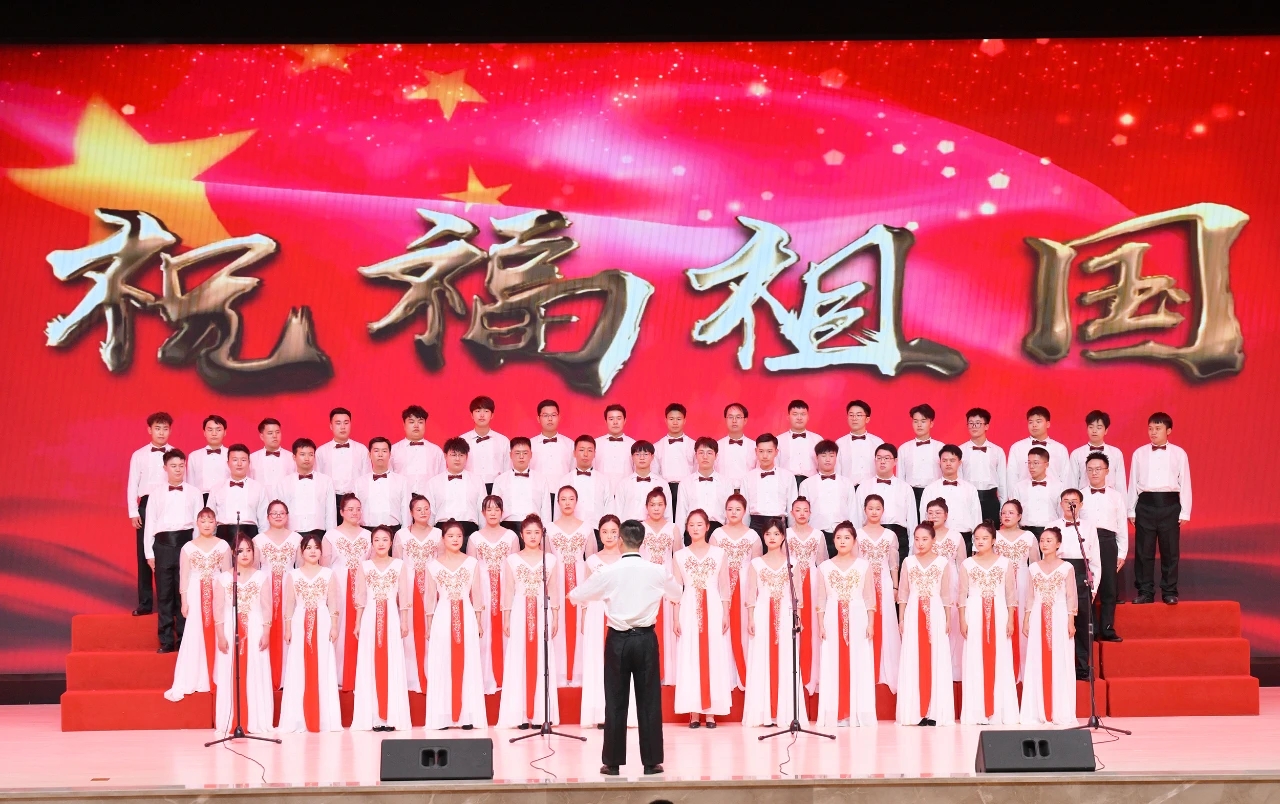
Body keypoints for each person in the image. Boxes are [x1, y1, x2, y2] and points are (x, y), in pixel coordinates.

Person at [569, 518, 682, 776]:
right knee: (649, 700)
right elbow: (676, 594)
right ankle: (652, 762)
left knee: (615, 700)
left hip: (618, 640)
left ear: (620, 541)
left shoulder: (609, 571)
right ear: (642, 542)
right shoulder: (657, 571)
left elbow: (578, 595)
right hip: (646, 639)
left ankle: (612, 762)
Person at [497, 515, 563, 729]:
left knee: (542, 659)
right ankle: (520, 715)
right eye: (528, 533)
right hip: (518, 611)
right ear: (521, 535)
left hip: (543, 612)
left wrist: (555, 615)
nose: (533, 536)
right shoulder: (512, 560)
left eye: (536, 532)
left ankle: (540, 715)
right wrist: (506, 617)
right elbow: (508, 590)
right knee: (519, 658)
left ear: (542, 534)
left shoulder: (550, 560)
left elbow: (554, 590)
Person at [422, 520, 488, 730]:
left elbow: (477, 594)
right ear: (443, 539)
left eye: (459, 536)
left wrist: (478, 622)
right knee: (442, 664)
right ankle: (442, 716)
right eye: (450, 536)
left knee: (468, 663)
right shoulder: (433, 565)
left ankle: (467, 716)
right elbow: (430, 598)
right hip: (442, 616)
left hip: (466, 615)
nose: (455, 539)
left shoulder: (471, 563)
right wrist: (428, 625)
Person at [742, 519, 807, 728]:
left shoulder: (793, 563)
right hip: (762, 614)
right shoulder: (756, 564)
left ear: (783, 537)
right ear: (763, 537)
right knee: (762, 658)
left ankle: (786, 713)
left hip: (786, 615)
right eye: (768, 534)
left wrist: (798, 618)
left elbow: (798, 595)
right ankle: (764, 713)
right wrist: (750, 618)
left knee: (787, 660)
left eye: (776, 534)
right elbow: (751, 594)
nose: (772, 538)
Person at [671, 509, 733, 728]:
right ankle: (694, 712)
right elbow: (676, 591)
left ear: (707, 527)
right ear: (686, 528)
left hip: (714, 607)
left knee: (713, 655)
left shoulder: (719, 554)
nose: (695, 528)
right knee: (690, 655)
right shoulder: (679, 556)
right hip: (688, 608)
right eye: (691, 525)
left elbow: (724, 587)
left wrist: (726, 613)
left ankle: (711, 713)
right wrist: (675, 618)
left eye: (699, 524)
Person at [164, 508, 232, 699]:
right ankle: (195, 676)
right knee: (195, 631)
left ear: (216, 523)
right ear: (197, 523)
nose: (207, 525)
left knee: (219, 629)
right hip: (195, 592)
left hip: (217, 592)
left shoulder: (223, 546)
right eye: (203, 521)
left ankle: (219, 675)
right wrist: (184, 601)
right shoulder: (188, 547)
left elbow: (227, 574)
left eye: (210, 521)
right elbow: (184, 576)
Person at [814, 521, 877, 728]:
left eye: (847, 538)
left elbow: (869, 597)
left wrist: (871, 623)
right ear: (833, 541)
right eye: (839, 538)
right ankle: (836, 712)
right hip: (832, 617)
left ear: (854, 541)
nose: (842, 541)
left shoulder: (863, 566)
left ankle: (857, 712)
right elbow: (821, 599)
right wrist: (821, 624)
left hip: (858, 617)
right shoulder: (824, 567)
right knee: (833, 662)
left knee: (858, 662)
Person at [279, 534, 343, 733]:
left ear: (321, 552)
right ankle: (298, 719)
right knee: (298, 665)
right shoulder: (293, 575)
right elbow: (289, 604)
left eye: (316, 547)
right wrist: (287, 628)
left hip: (323, 621)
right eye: (308, 548)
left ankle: (324, 719)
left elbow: (333, 603)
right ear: (302, 552)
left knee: (323, 665)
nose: (313, 551)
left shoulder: (328, 574)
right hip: (299, 621)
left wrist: (334, 626)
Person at [351, 527, 413, 732]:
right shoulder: (365, 566)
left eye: (385, 539)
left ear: (391, 542)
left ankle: (392, 717)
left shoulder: (399, 565)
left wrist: (404, 621)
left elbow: (404, 596)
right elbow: (360, 597)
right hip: (370, 617)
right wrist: (358, 623)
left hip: (392, 617)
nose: (380, 543)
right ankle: (374, 718)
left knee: (391, 661)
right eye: (376, 539)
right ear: (372, 543)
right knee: (370, 662)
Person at [212, 534, 273, 736]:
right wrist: (220, 635)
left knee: (255, 670)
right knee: (230, 670)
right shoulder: (224, 578)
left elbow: (267, 607)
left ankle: (256, 720)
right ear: (233, 553)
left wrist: (266, 631)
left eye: (248, 550)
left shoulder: (261, 577)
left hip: (255, 627)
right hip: (230, 628)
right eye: (240, 551)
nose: (245, 554)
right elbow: (218, 609)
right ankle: (230, 720)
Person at [958, 523, 1019, 725]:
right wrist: (962, 619)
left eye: (985, 538)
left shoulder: (1005, 563)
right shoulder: (967, 564)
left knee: (1000, 656)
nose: (980, 541)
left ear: (993, 540)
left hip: (999, 612)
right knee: (975, 657)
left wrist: (1011, 619)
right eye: (977, 538)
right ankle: (977, 712)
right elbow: (962, 595)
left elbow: (1011, 595)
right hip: (974, 612)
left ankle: (999, 711)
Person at [896, 522, 956, 727]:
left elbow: (946, 594)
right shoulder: (908, 562)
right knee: (914, 656)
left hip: (936, 612)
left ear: (933, 540)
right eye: (917, 539)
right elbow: (903, 593)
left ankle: (935, 712)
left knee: (936, 657)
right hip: (913, 612)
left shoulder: (942, 563)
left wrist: (947, 618)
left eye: (925, 539)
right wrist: (901, 618)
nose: (920, 543)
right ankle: (915, 712)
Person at [1128, 411, 1192, 605]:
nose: (1153, 432)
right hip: (1145, 504)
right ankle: (1145, 591)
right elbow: (1133, 482)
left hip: (1169, 505)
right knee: (1143, 551)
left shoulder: (1179, 453)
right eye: (1150, 428)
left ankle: (1169, 591)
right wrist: (1131, 509)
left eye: (1158, 428)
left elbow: (1185, 482)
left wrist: (1185, 510)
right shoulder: (1139, 453)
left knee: (1170, 551)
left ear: (1168, 430)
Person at [579, 515, 637, 729]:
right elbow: (586, 592)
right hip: (596, 613)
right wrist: (584, 616)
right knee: (598, 661)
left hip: (621, 613)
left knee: (622, 662)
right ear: (599, 534)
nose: (609, 536)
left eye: (614, 531)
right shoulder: (592, 561)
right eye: (605, 531)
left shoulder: (628, 559)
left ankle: (621, 714)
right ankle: (601, 712)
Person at [144, 450, 204, 651]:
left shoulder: (195, 493)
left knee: (184, 593)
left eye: (181, 465)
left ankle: (185, 640)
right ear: (165, 468)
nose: (178, 470)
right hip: (162, 546)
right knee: (164, 594)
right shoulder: (155, 494)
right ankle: (166, 640)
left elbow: (198, 524)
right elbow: (150, 524)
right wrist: (149, 554)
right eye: (173, 466)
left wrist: (195, 549)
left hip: (186, 544)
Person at [1020, 527, 1078, 727]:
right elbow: (1030, 596)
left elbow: (1071, 596)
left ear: (1058, 544)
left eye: (1049, 540)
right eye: (1042, 540)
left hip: (1059, 614)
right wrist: (1026, 618)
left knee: (1060, 658)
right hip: (1038, 613)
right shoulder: (1034, 568)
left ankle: (1059, 710)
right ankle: (1038, 710)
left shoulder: (1066, 568)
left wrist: (1071, 620)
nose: (1044, 544)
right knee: (1037, 657)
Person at [466, 495, 521, 692]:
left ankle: (507, 677)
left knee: (507, 628)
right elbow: (470, 568)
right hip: (482, 588)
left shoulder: (511, 537)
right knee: (483, 629)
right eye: (489, 509)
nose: (493, 513)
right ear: (483, 513)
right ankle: (484, 677)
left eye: (497, 509)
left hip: (505, 587)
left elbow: (515, 566)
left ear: (502, 512)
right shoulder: (474, 538)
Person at [1048, 490, 1101, 680]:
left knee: (1082, 622)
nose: (1070, 504)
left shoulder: (1088, 527)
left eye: (1074, 501)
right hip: (1059, 574)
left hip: (1081, 575)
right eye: (1066, 501)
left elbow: (1095, 560)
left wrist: (1093, 587)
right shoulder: (1052, 526)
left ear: (1081, 505)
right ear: (1060, 504)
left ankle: (1082, 667)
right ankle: (1058, 666)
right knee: (1058, 620)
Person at [708, 494, 760, 690]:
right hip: (722, 584)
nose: (733, 513)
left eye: (738, 509)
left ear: (745, 511)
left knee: (745, 627)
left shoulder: (753, 536)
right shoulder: (717, 535)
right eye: (730, 509)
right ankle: (725, 676)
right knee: (723, 627)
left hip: (746, 584)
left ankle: (746, 674)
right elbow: (712, 563)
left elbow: (756, 566)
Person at [546, 488, 595, 688]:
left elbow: (592, 559)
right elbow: (547, 559)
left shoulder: (586, 527)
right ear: (557, 502)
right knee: (558, 621)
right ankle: (558, 672)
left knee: (580, 622)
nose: (567, 502)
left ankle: (580, 672)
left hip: (581, 577)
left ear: (577, 501)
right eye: (563, 499)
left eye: (571, 499)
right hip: (556, 578)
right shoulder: (549, 528)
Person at [128, 411, 174, 616]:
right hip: (146, 505)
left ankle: (170, 604)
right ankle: (145, 603)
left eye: (165, 428)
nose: (161, 432)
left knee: (168, 553)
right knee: (144, 554)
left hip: (169, 503)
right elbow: (132, 484)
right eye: (157, 428)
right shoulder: (138, 455)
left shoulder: (175, 453)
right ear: (149, 430)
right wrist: (133, 511)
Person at [395, 494, 440, 696]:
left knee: (431, 628)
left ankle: (432, 673)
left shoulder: (438, 534)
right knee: (410, 629)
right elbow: (397, 565)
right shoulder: (401, 535)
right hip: (408, 585)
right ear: (411, 513)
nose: (423, 512)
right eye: (418, 509)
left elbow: (441, 563)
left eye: (426, 508)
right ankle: (411, 676)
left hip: (432, 585)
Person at [254, 500, 302, 691]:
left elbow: (301, 567)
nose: (278, 516)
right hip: (265, 589)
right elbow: (254, 569)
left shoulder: (296, 539)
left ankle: (288, 677)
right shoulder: (258, 540)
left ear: (287, 516)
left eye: (282, 513)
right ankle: (266, 676)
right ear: (267, 517)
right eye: (274, 513)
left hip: (290, 588)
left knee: (289, 628)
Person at [326, 493, 371, 692]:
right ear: (342, 512)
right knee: (339, 626)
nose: (355, 513)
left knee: (361, 626)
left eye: (358, 509)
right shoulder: (331, 536)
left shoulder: (368, 535)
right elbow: (325, 566)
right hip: (338, 585)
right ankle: (337, 675)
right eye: (350, 509)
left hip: (363, 585)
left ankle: (361, 675)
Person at [1081, 452, 1127, 641]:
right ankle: (1089, 629)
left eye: (1098, 469)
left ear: (1107, 471)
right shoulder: (1079, 495)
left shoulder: (1116, 496)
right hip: (1086, 543)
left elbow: (1122, 525)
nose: (1094, 473)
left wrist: (1122, 552)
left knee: (1109, 586)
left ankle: (1107, 628)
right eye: (1090, 469)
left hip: (1108, 542)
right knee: (1088, 586)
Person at [856, 496, 901, 692]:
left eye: (878, 508)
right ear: (864, 510)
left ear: (883, 511)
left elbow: (893, 564)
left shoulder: (890, 535)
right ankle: (866, 669)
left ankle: (886, 669)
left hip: (885, 583)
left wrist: (896, 587)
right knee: (865, 623)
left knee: (886, 623)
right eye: (870, 508)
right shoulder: (857, 534)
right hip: (862, 584)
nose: (874, 512)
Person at [993, 500, 1039, 683]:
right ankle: (1004, 669)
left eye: (1011, 512)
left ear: (1020, 516)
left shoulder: (1028, 536)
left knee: (1023, 622)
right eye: (1004, 512)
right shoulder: (994, 536)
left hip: (1023, 581)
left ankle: (1025, 668)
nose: (1007, 515)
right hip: (999, 582)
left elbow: (1035, 565)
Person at [638, 488, 679, 686]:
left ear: (666, 506)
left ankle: (668, 672)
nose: (656, 508)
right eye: (652, 504)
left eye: (660, 504)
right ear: (646, 507)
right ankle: (647, 673)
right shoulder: (639, 528)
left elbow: (678, 558)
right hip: (645, 583)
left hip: (667, 581)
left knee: (668, 624)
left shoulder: (673, 528)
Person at [785, 498, 826, 693]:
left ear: (810, 513)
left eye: (805, 510)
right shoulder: (785, 534)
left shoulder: (818, 535)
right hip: (791, 580)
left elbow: (823, 563)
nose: (802, 513)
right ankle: (793, 672)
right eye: (798, 510)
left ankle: (813, 674)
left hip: (813, 582)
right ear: (792, 513)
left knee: (811, 624)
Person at [856, 443, 918, 565]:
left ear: (895, 461)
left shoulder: (905, 488)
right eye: (879, 458)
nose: (882, 461)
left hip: (899, 537)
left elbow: (912, 521)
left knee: (897, 573)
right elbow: (858, 518)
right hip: (869, 537)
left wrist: (912, 550)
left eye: (887, 458)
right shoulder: (863, 487)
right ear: (874, 461)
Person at [925, 498, 966, 682]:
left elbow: (962, 564)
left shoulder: (956, 536)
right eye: (930, 513)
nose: (934, 516)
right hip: (929, 584)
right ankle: (934, 665)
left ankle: (953, 668)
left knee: (952, 623)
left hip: (952, 582)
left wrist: (963, 590)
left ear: (946, 515)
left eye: (938, 513)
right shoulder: (923, 534)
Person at [919, 444, 982, 555]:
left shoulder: (970, 489)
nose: (948, 463)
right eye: (944, 460)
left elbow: (976, 517)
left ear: (959, 462)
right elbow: (924, 518)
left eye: (952, 460)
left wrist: (976, 546)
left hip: (964, 538)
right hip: (936, 539)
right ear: (939, 462)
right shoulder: (930, 489)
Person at [419, 437, 484, 544]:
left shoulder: (477, 481)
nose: (457, 459)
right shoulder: (433, 483)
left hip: (470, 532)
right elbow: (430, 512)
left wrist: (483, 536)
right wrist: (429, 537)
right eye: (453, 455)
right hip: (441, 531)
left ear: (467, 457)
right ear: (445, 456)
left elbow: (482, 511)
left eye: (461, 455)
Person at [798, 441, 856, 557]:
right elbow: (802, 512)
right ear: (817, 458)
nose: (828, 459)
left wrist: (853, 535)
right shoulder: (806, 484)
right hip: (816, 534)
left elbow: (853, 512)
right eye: (823, 456)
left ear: (836, 457)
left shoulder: (847, 483)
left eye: (831, 455)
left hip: (842, 536)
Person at [551, 436, 614, 540]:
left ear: (594, 454)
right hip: (569, 532)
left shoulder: (604, 481)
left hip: (597, 531)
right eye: (581, 450)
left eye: (589, 450)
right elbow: (558, 510)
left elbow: (609, 509)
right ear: (574, 453)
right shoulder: (564, 480)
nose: (585, 454)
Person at [274, 438, 336, 541]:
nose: (307, 458)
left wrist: (330, 538)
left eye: (311, 455)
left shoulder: (326, 481)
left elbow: (331, 513)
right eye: (302, 454)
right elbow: (280, 512)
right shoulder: (284, 483)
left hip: (318, 533)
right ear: (294, 457)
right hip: (291, 534)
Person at [315, 407, 372, 517]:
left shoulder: (361, 450)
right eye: (338, 423)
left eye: (346, 423)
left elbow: (366, 479)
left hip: (355, 500)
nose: (342, 427)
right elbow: (318, 481)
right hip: (330, 500)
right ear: (331, 426)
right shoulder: (321, 452)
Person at [743, 433, 798, 542]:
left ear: (776, 452)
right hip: (755, 524)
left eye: (769, 451)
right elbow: (745, 507)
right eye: (761, 451)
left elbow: (792, 507)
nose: (765, 456)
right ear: (756, 451)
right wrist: (744, 531)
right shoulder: (748, 477)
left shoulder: (787, 476)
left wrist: (792, 532)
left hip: (779, 525)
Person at [210, 444, 268, 545]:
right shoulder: (216, 489)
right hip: (222, 538)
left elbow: (264, 521)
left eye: (243, 460)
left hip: (250, 537)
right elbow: (211, 518)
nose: (239, 464)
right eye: (235, 460)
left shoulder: (258, 488)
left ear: (249, 463)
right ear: (228, 463)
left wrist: (261, 544)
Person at [675, 437, 732, 538]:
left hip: (718, 532)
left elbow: (729, 513)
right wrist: (680, 540)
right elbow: (681, 515)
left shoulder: (726, 483)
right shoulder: (685, 483)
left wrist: (728, 537)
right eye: (701, 452)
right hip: (692, 532)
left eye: (709, 453)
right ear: (696, 455)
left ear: (716, 456)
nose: (705, 457)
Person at [352, 437, 410, 534]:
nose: (380, 454)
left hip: (394, 531)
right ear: (369, 455)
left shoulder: (402, 481)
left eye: (384, 451)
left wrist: (405, 534)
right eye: (376, 451)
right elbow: (354, 511)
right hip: (365, 531)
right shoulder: (359, 482)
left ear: (390, 454)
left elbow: (406, 511)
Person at [961, 408, 1007, 525]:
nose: (974, 426)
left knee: (992, 533)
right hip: (968, 500)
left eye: (978, 423)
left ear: (986, 426)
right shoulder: (960, 451)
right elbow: (959, 480)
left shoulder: (997, 451)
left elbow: (1003, 482)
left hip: (991, 500)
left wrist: (1003, 508)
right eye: (971, 423)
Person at [491, 437, 546, 533]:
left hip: (533, 529)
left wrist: (544, 530)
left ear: (531, 454)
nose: (521, 457)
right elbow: (494, 508)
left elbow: (546, 510)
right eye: (517, 453)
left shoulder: (541, 480)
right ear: (510, 455)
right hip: (507, 528)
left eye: (525, 453)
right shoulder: (500, 480)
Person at [1008, 405, 1071, 485]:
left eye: (1038, 421)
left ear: (1048, 424)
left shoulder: (1060, 449)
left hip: (1053, 492)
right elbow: (1011, 477)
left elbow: (1066, 478)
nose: (1034, 425)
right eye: (1031, 422)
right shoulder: (1017, 448)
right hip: (1024, 492)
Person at [460, 395, 510, 494]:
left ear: (492, 415)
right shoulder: (462, 440)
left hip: (496, 488)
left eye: (486, 411)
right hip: (469, 487)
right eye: (478, 411)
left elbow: (508, 469)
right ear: (472, 415)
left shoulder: (503, 441)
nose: (482, 415)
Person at [1011, 447, 1065, 537]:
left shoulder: (1058, 486)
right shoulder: (1019, 487)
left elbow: (1062, 512)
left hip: (1050, 532)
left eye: (1035, 463)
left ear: (1046, 465)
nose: (1031, 467)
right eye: (1029, 463)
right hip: (1025, 532)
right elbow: (1013, 511)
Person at [1070, 410, 1126, 493]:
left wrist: (1122, 500)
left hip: (1110, 498)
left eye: (1099, 427)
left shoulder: (1116, 453)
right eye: (1091, 427)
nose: (1094, 431)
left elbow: (1121, 484)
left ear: (1106, 430)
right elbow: (1072, 483)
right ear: (1087, 429)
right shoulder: (1076, 454)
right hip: (1084, 498)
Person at [897, 403, 941, 509]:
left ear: (931, 423)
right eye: (915, 421)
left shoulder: (940, 448)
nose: (919, 425)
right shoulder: (904, 448)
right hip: (911, 495)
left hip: (935, 494)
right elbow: (900, 477)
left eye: (923, 421)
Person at [653, 403, 694, 512]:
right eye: (671, 419)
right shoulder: (657, 447)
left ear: (684, 420)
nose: (675, 422)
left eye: (678, 419)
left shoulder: (694, 446)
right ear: (666, 420)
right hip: (666, 490)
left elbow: (696, 470)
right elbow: (655, 473)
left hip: (688, 489)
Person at [391, 404, 445, 486]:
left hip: (428, 494)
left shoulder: (436, 451)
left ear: (425, 425)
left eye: (420, 422)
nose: (416, 426)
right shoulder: (393, 451)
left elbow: (442, 479)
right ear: (404, 425)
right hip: (402, 494)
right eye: (411, 422)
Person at [614, 441, 668, 522]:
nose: (642, 458)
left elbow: (667, 514)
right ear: (632, 457)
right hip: (629, 527)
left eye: (646, 454)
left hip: (653, 527)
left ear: (652, 457)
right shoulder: (623, 484)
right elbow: (618, 511)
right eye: (637, 454)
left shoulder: (662, 483)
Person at [835, 399, 883, 486]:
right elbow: (837, 472)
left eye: (859, 415)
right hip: (849, 489)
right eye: (851, 415)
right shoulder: (839, 444)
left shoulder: (878, 443)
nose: (854, 418)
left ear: (867, 419)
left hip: (872, 489)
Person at [777, 399, 824, 486]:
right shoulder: (778, 441)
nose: (799, 418)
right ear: (788, 417)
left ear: (808, 417)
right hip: (786, 485)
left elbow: (823, 466)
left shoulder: (818, 440)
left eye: (803, 414)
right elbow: (775, 467)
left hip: (812, 485)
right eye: (795, 414)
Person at [187, 414, 229, 503]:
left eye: (218, 430)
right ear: (204, 432)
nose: (214, 433)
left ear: (225, 432)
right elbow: (190, 484)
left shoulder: (232, 455)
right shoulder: (194, 456)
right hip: (201, 500)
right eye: (210, 430)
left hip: (226, 499)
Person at [529, 399, 574, 482]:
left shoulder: (570, 444)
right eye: (545, 415)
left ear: (559, 417)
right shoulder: (530, 445)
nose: (550, 419)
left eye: (553, 415)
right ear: (538, 418)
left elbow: (574, 472)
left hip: (563, 489)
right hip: (537, 489)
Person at [716, 402, 756, 491]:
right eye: (730, 417)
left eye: (738, 417)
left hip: (747, 492)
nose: (734, 421)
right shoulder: (716, 446)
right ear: (725, 420)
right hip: (723, 491)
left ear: (745, 420)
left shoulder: (754, 447)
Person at [250, 418, 297, 489]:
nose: (275, 436)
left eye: (277, 432)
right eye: (270, 433)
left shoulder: (292, 458)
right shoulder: (252, 458)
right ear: (262, 436)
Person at [594, 403, 636, 479]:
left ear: (625, 420)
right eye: (611, 419)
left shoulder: (634, 444)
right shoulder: (595, 444)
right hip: (601, 486)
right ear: (606, 421)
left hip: (626, 486)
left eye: (619, 419)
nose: (615, 422)